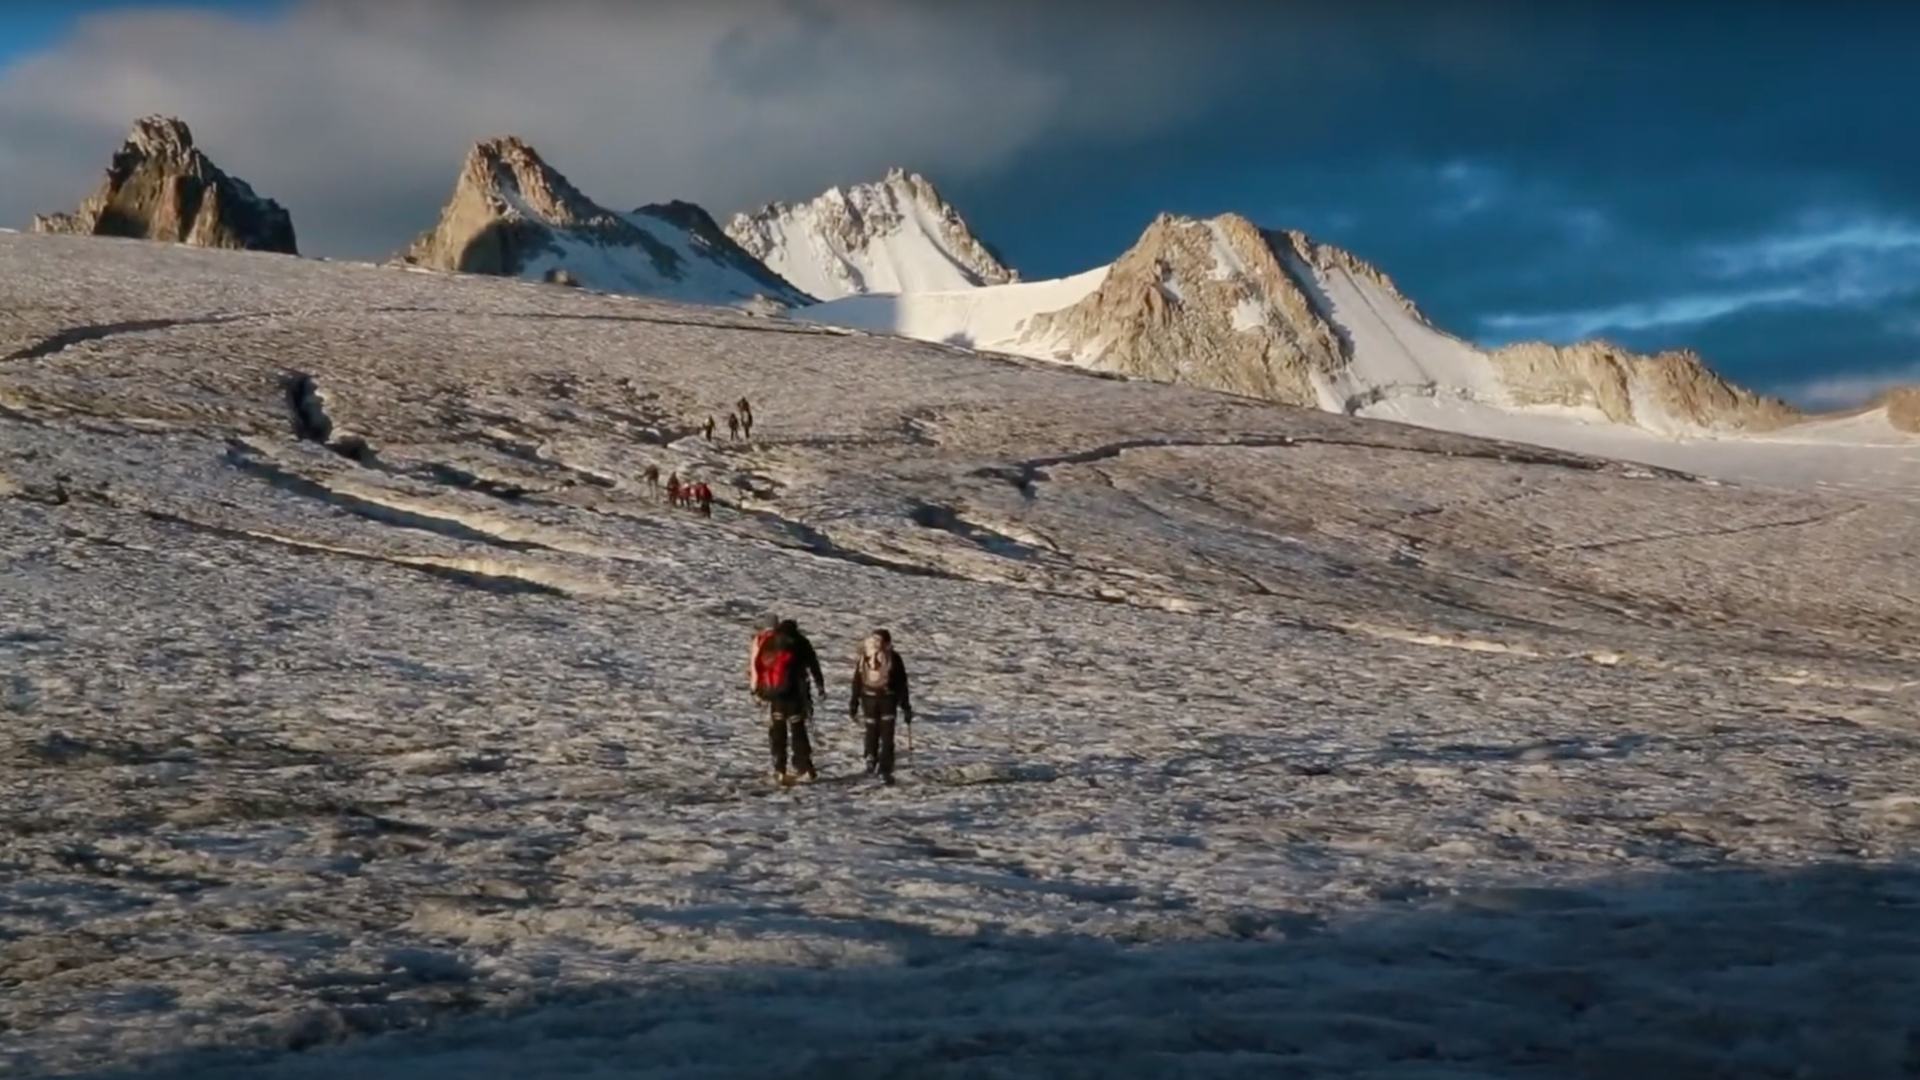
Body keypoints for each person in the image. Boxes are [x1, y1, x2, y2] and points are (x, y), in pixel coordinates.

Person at [752, 617, 826, 784]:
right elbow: (813, 664)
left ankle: (779, 767)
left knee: (778, 730)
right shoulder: (800, 641)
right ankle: (804, 766)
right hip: (796, 694)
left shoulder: (770, 641)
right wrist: (820, 685)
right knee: (798, 729)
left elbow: (759, 666)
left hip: (775, 694)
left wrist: (758, 690)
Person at [847, 628, 913, 784]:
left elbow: (857, 680)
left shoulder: (865, 657)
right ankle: (885, 768)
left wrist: (854, 702)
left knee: (871, 730)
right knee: (887, 735)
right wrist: (906, 706)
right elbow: (901, 684)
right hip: (888, 699)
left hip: (868, 698)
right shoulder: (894, 658)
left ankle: (870, 759)